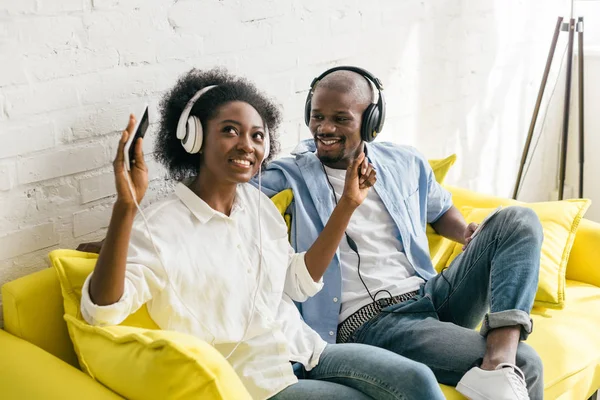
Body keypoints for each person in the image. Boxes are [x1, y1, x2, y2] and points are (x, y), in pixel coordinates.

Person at [80, 68, 446, 400]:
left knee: (418, 380)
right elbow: (101, 311)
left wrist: (347, 204)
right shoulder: (158, 227)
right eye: (229, 131)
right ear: (193, 138)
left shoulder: (258, 207)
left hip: (307, 350)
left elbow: (298, 282)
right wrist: (125, 210)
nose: (247, 145)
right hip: (257, 380)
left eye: (257, 136)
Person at [253, 66, 545, 400]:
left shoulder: (404, 162)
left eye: (340, 118)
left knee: (519, 219)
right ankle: (506, 368)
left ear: (371, 122)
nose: (325, 128)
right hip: (373, 323)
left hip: (430, 294)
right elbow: (234, 191)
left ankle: (499, 364)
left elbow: (440, 211)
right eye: (317, 116)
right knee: (529, 362)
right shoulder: (290, 174)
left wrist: (465, 231)